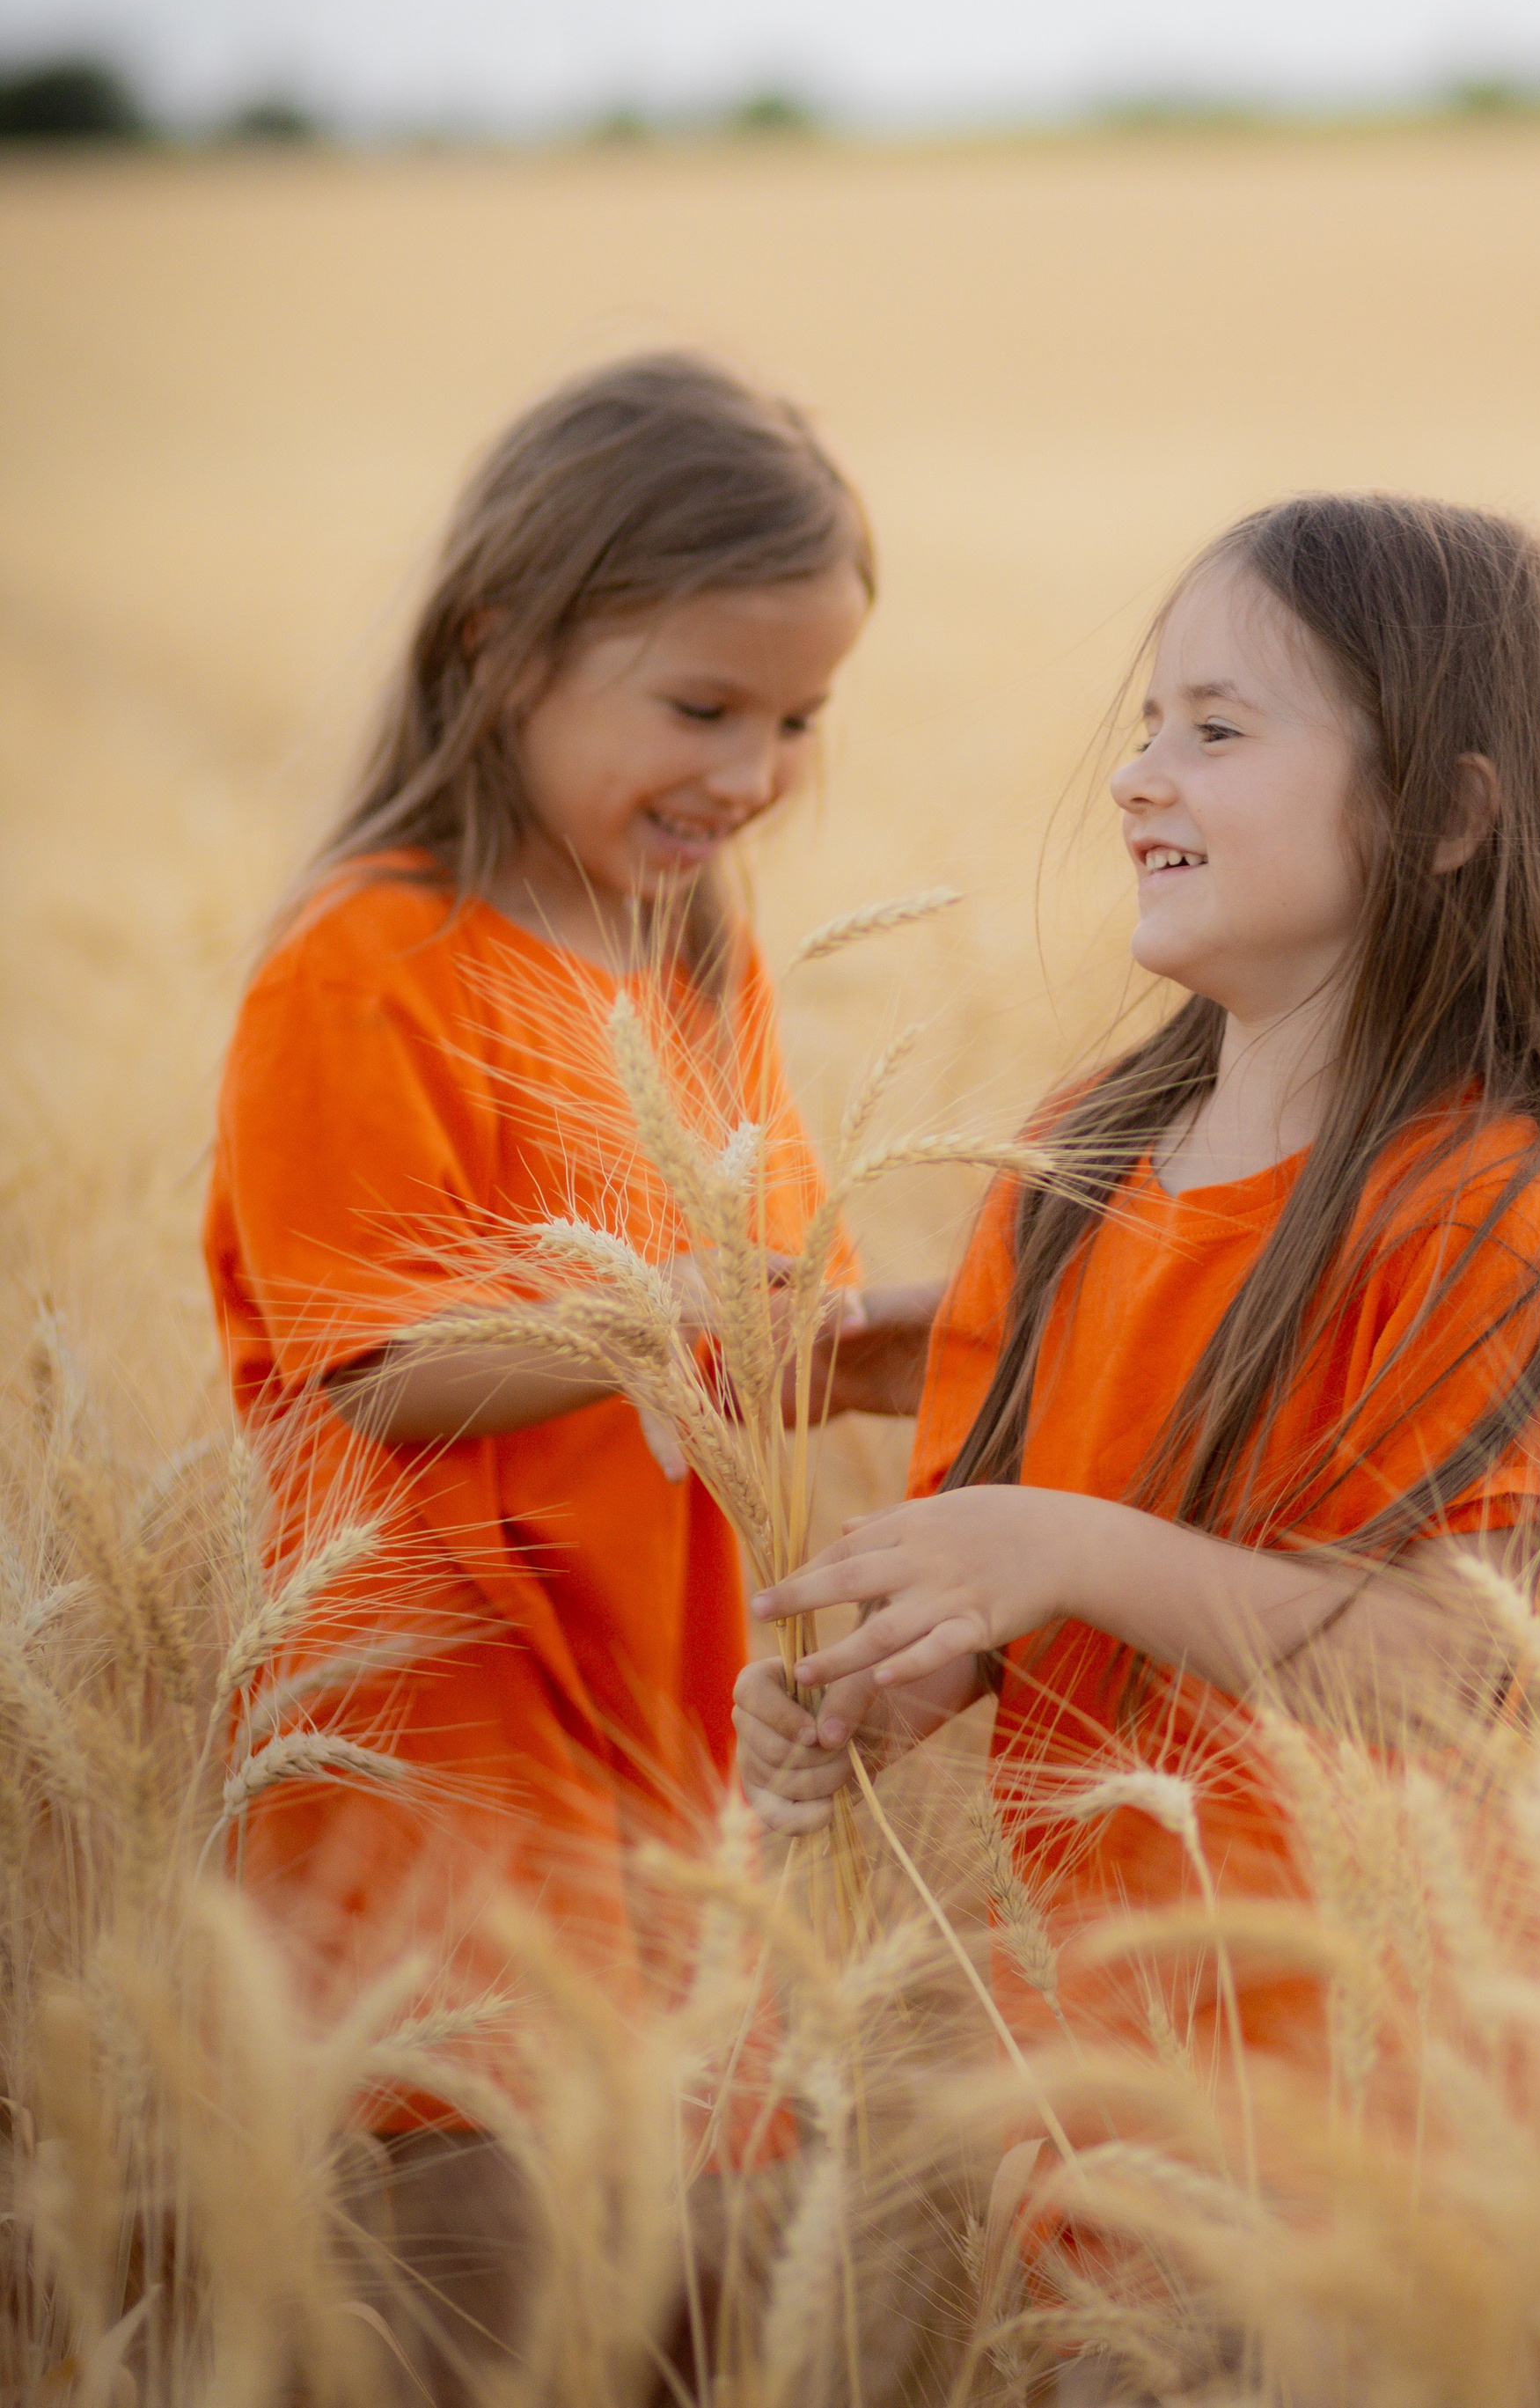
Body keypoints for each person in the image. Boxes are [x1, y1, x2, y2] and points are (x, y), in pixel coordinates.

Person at [735, 491, 1540, 2124]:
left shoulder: (1473, 1204)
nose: (1137, 773)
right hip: (1108, 2075)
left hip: (1378, 2112)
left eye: (1217, 729)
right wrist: (867, 1689)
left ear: (1447, 816)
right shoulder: (1072, 1169)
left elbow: (1453, 1660)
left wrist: (1068, 1544)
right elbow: (992, 1604)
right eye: (1150, 723)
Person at [204, 353, 938, 2382]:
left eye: (800, 716)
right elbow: (386, 1366)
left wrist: (868, 1352)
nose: (758, 771)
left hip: (690, 1771)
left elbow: (732, 1328)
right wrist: (699, 1324)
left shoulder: (695, 948)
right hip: (444, 1779)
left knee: (717, 2316)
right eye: (701, 707)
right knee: (487, 2312)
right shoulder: (364, 972)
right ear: (497, 646)